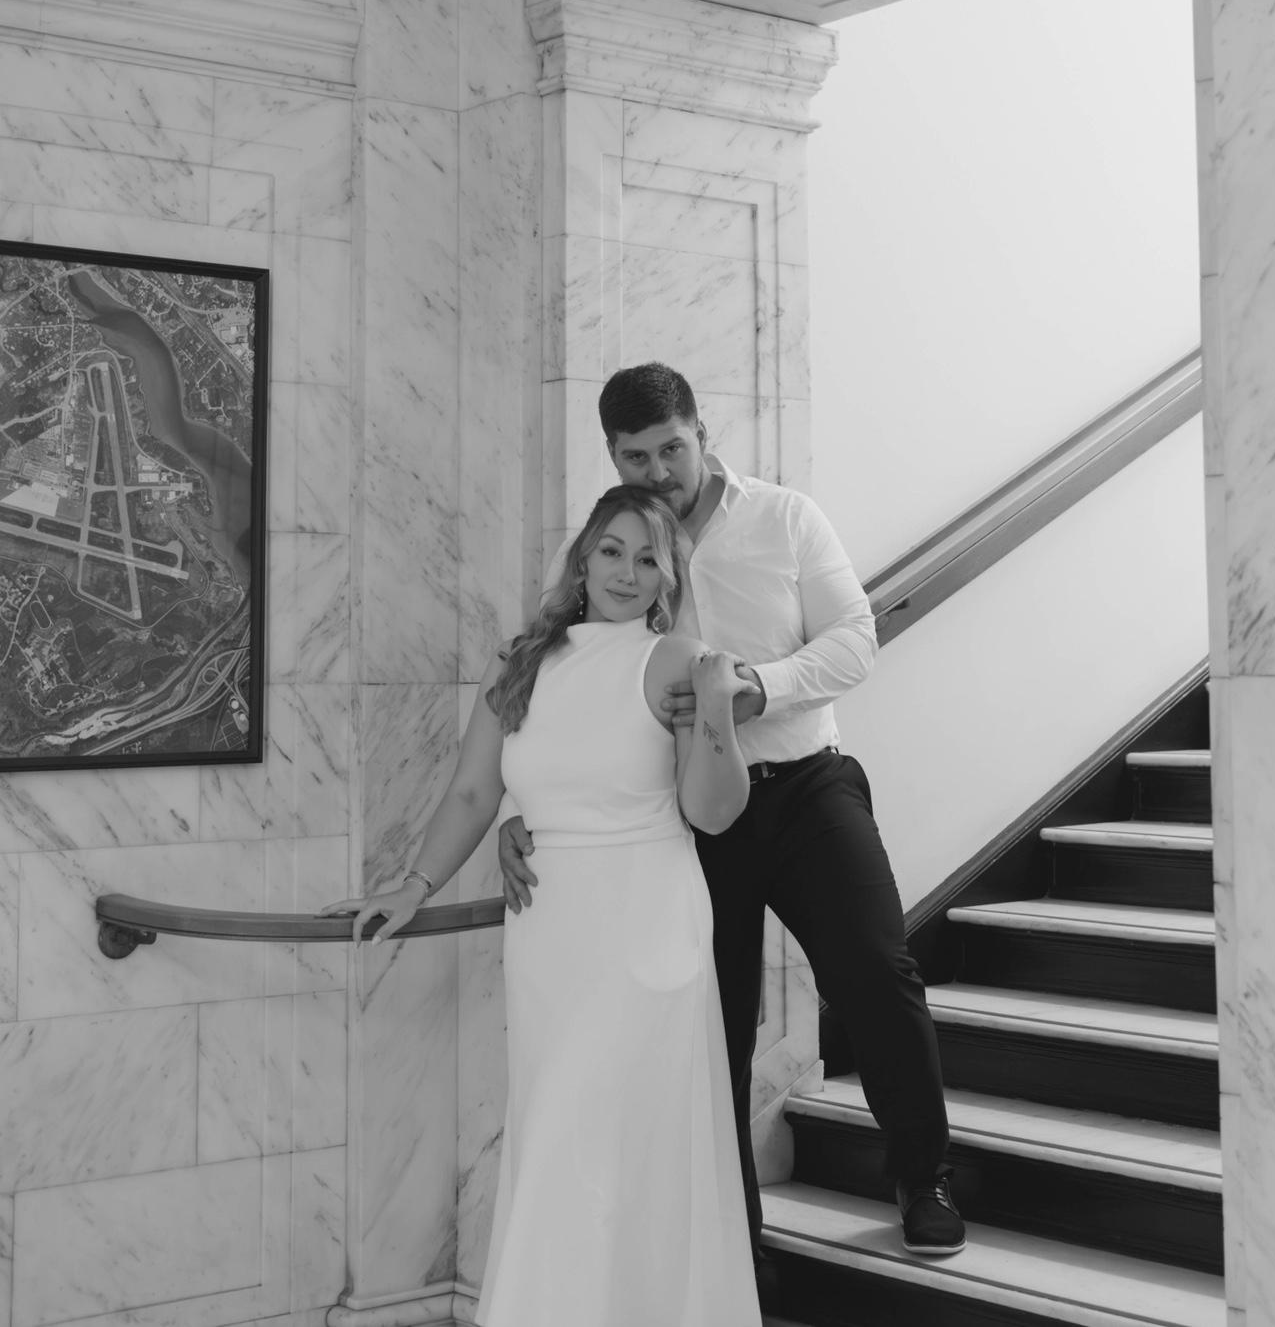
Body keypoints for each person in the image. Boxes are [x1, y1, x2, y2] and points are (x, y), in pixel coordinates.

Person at [499, 363, 965, 1275]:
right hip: (687, 819)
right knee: (711, 1023)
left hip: (806, 787)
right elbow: (558, 686)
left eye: (671, 449)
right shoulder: (612, 547)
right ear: (613, 456)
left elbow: (856, 638)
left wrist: (759, 687)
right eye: (635, 457)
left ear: (701, 433)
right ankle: (730, 1236)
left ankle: (925, 1178)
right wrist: (524, 808)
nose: (658, 471)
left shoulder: (785, 518)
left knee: (876, 973)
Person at [322, 484, 761, 1327]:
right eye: (612, 551)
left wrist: (714, 704)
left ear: (668, 577)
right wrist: (413, 886)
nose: (626, 573)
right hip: (551, 934)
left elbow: (712, 813)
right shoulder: (521, 660)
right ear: (583, 558)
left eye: (648, 559)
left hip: (647, 930)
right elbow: (472, 791)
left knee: (625, 1144)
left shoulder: (673, 659)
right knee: (557, 1137)